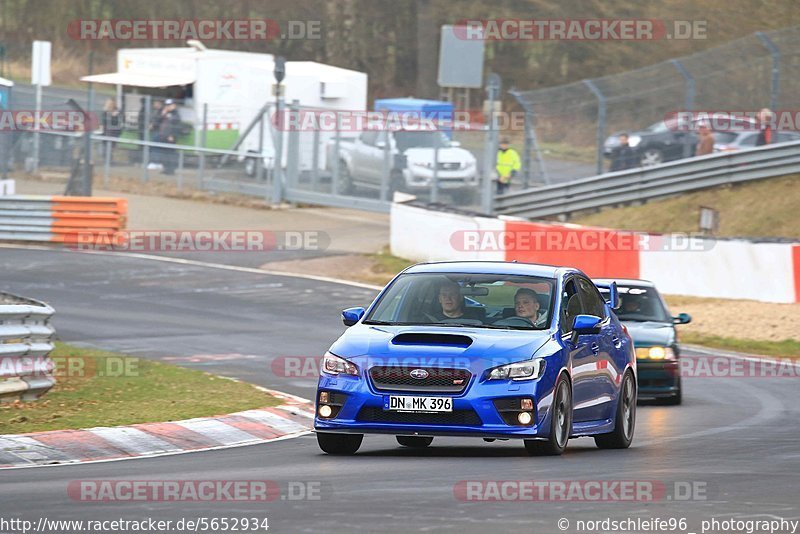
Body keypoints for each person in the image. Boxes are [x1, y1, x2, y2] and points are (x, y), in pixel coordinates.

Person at [158, 99, 182, 175]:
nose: (167, 107)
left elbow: (175, 126)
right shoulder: (165, 113)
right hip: (163, 136)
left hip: (170, 137)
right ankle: (166, 168)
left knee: (170, 154)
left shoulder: (176, 114)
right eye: (166, 105)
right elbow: (158, 121)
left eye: (169, 105)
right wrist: (163, 114)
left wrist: (172, 135)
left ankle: (171, 170)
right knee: (164, 154)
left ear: (174, 105)